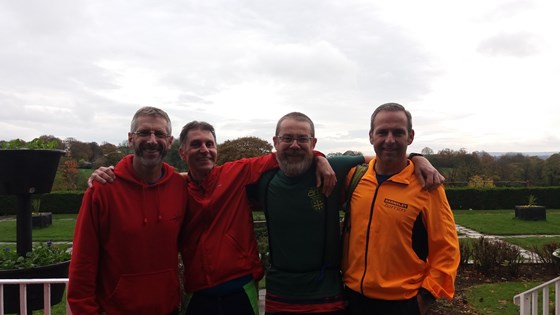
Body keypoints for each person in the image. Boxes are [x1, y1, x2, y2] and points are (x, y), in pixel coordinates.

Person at [89, 120, 336, 315]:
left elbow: (288, 152)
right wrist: (109, 173)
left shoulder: (236, 173)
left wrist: (319, 157)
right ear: (183, 152)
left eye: (209, 144)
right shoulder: (175, 186)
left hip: (241, 288)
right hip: (198, 293)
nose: (204, 150)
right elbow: (143, 180)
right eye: (196, 144)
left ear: (216, 149)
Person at [248, 112, 444, 315]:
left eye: (302, 138)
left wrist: (417, 158)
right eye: (287, 138)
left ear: (313, 142)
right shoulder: (263, 179)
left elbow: (383, 157)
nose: (294, 145)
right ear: (275, 141)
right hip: (280, 294)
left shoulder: (336, 168)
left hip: (327, 295)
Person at [342, 103, 460, 315]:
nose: (389, 140)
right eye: (382, 132)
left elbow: (447, 250)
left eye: (398, 132)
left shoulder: (428, 187)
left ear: (410, 136)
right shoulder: (355, 178)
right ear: (371, 136)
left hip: (402, 304)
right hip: (352, 299)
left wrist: (423, 300)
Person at [68, 106, 188, 314]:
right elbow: (82, 264)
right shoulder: (102, 190)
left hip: (168, 309)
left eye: (159, 133)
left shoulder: (180, 187)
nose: (152, 140)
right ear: (131, 138)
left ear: (169, 141)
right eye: (144, 132)